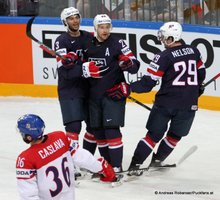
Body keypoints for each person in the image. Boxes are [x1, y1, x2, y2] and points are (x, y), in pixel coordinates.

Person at [127, 21, 206, 175]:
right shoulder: (194, 51)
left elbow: (147, 83)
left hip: (166, 103)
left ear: (172, 37)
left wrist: (129, 87)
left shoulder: (163, 56)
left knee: (153, 136)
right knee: (175, 136)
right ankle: (157, 161)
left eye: (164, 37)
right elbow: (201, 74)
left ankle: (134, 166)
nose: (162, 40)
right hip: (188, 104)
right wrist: (198, 88)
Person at [84, 14, 140, 172]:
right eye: (102, 27)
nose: (105, 30)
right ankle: (108, 166)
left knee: (111, 130)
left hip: (113, 94)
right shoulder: (87, 44)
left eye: (108, 27)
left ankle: (116, 167)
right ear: (95, 28)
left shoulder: (118, 43)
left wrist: (128, 63)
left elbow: (135, 66)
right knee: (99, 132)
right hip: (93, 95)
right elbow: (79, 66)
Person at [16, 114, 116, 200]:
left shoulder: (25, 159)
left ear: (29, 136)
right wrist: (101, 167)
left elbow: (28, 195)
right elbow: (81, 156)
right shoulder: (60, 137)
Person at [54, 7, 99, 155]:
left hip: (88, 88)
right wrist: (82, 69)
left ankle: (86, 158)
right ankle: (71, 162)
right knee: (74, 127)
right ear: (65, 22)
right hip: (70, 90)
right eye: (71, 18)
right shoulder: (61, 41)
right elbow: (63, 72)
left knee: (94, 126)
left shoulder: (88, 36)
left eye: (77, 17)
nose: (75, 20)